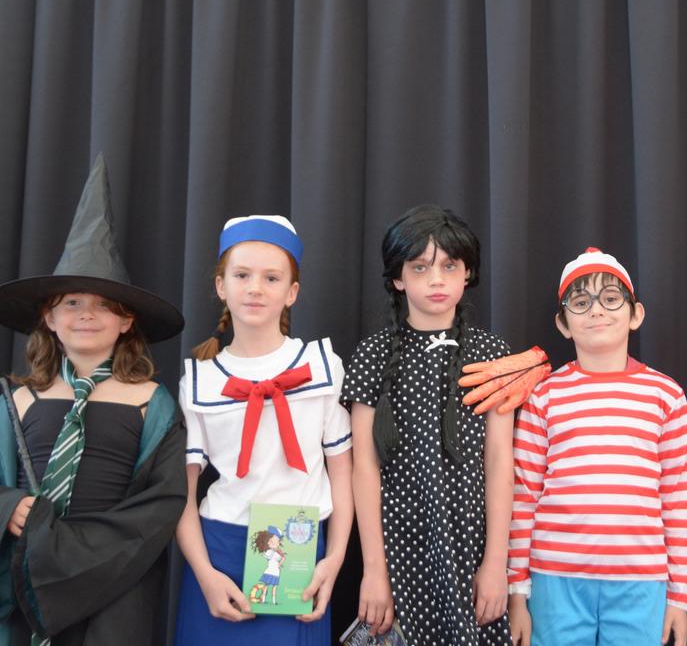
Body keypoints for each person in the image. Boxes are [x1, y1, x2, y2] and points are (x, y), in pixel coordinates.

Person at [0, 155, 187, 645]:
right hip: (26, 577)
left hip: (115, 583)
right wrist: (9, 506)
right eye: (72, 303)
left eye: (105, 305)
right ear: (49, 317)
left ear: (127, 321)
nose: (87, 315)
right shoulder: (19, 400)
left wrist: (84, 555)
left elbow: (162, 503)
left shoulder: (151, 401)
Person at [174, 215, 353, 645]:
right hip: (218, 551)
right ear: (221, 286)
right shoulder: (198, 381)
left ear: (291, 292)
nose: (255, 288)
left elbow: (343, 474)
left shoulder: (323, 367)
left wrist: (334, 559)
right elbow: (181, 493)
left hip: (299, 552)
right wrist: (205, 575)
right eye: (241, 275)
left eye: (271, 278)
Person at [507, 247, 687, 646]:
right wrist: (518, 593)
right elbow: (523, 496)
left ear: (635, 314)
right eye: (581, 302)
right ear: (563, 323)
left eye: (611, 299)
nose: (597, 310)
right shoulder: (544, 396)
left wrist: (679, 598)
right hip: (554, 579)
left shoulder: (665, 395)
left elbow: (679, 502)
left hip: (641, 581)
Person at [343, 204, 514, 646]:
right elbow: (364, 467)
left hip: (473, 549)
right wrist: (374, 570)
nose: (436, 279)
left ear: (467, 273)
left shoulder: (493, 353)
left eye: (448, 265)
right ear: (399, 279)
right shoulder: (372, 355)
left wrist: (496, 562)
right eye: (420, 267)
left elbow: (499, 460)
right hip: (400, 551)